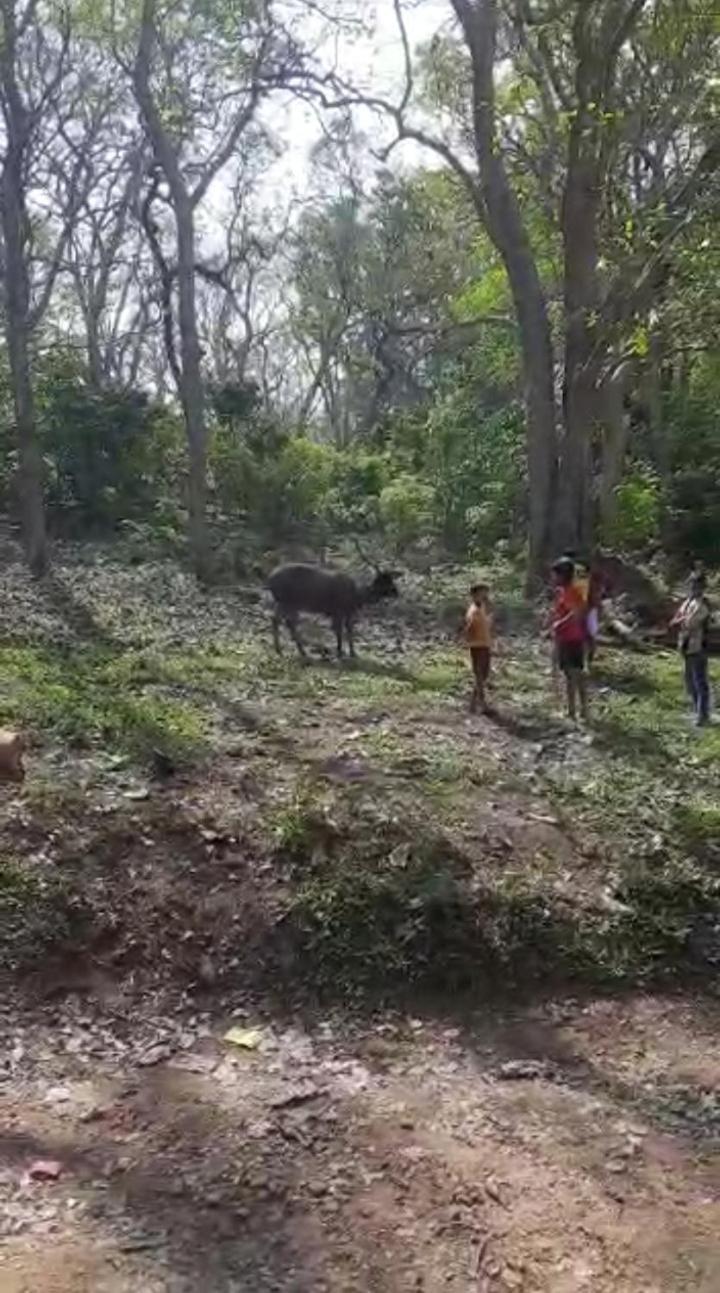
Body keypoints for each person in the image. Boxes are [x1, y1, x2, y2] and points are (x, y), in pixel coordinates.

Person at [551, 557, 589, 722]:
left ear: (562, 575)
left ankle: (573, 710)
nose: (553, 578)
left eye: (555, 575)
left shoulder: (571, 592)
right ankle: (581, 710)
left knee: (572, 674)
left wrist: (560, 623)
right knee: (576, 673)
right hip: (571, 636)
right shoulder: (564, 591)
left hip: (570, 637)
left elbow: (577, 613)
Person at [671, 573, 712, 726]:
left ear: (703, 587)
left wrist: (680, 620)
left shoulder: (703, 604)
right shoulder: (688, 602)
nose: (694, 588)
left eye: (697, 586)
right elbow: (678, 617)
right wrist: (680, 619)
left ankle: (703, 715)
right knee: (689, 681)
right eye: (692, 585)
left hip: (698, 646)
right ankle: (697, 711)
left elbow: (690, 622)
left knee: (700, 682)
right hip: (687, 646)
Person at [463, 582, 493, 714]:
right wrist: (468, 638)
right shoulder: (473, 610)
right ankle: (481, 704)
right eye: (482, 593)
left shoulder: (481, 607)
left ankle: (473, 702)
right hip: (477, 645)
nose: (484, 595)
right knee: (480, 674)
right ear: (474, 595)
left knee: (483, 674)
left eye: (485, 593)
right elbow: (469, 627)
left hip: (484, 643)